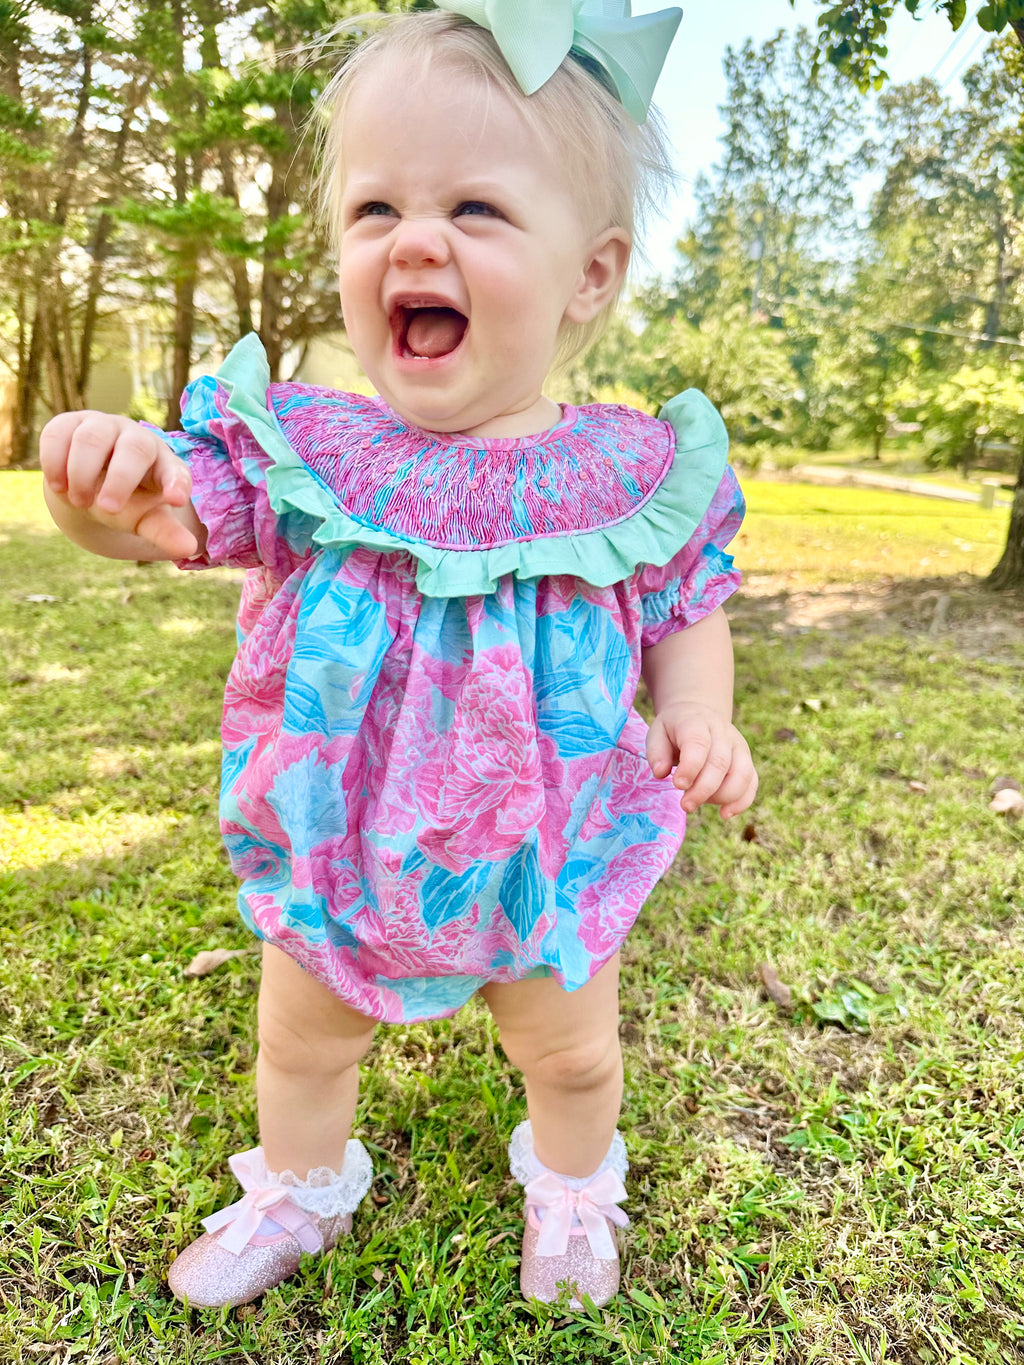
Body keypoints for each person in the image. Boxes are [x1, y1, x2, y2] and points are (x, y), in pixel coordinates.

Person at [39, 0, 757, 1313]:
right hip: (345, 840)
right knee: (301, 1041)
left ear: (590, 275)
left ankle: (571, 1184)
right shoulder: (307, 454)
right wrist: (105, 487)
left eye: (476, 209)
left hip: (547, 849)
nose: (416, 239)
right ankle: (300, 1184)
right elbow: (168, 517)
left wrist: (701, 712)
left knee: (572, 1053)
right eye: (377, 209)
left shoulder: (624, 474)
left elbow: (682, 606)